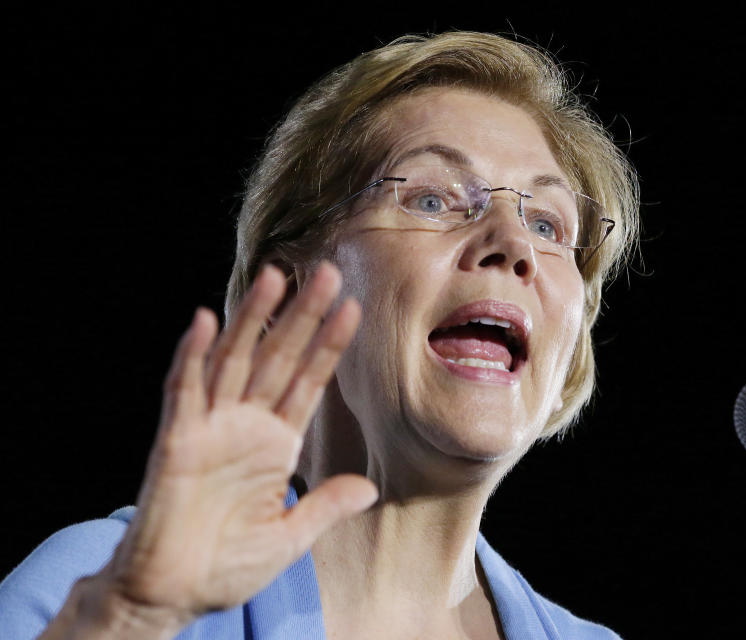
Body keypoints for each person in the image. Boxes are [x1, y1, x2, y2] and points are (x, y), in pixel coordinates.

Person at [0, 31, 639, 639]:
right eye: (433, 199)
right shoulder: (99, 588)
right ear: (290, 290)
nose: (512, 245)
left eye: (549, 225)